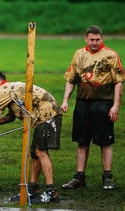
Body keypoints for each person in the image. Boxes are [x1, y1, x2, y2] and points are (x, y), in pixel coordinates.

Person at [0, 71, 62, 203]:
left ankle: (51, 192)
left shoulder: (2, 90)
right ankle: (32, 190)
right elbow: (10, 117)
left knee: (40, 152)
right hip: (47, 113)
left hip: (47, 114)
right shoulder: (11, 89)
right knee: (35, 153)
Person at [61, 25, 124, 190]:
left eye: (97, 39)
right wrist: (65, 100)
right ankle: (79, 177)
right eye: (91, 40)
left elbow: (118, 82)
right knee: (82, 141)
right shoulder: (79, 54)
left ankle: (107, 177)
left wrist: (116, 105)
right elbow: (71, 79)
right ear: (86, 39)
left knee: (105, 141)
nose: (94, 43)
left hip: (103, 104)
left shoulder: (111, 55)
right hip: (83, 103)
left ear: (102, 39)